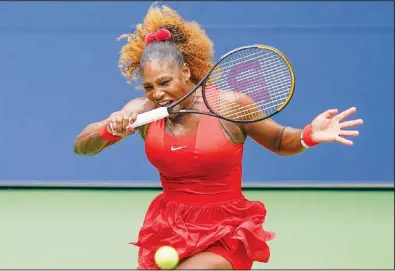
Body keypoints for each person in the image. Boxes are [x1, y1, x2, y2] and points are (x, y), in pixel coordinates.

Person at [74, 4, 363, 270]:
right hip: (168, 225)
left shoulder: (230, 105)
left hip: (225, 229)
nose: (157, 93)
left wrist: (310, 135)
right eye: (149, 87)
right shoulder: (141, 113)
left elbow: (279, 141)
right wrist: (109, 128)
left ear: (186, 71)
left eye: (165, 82)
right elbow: (82, 146)